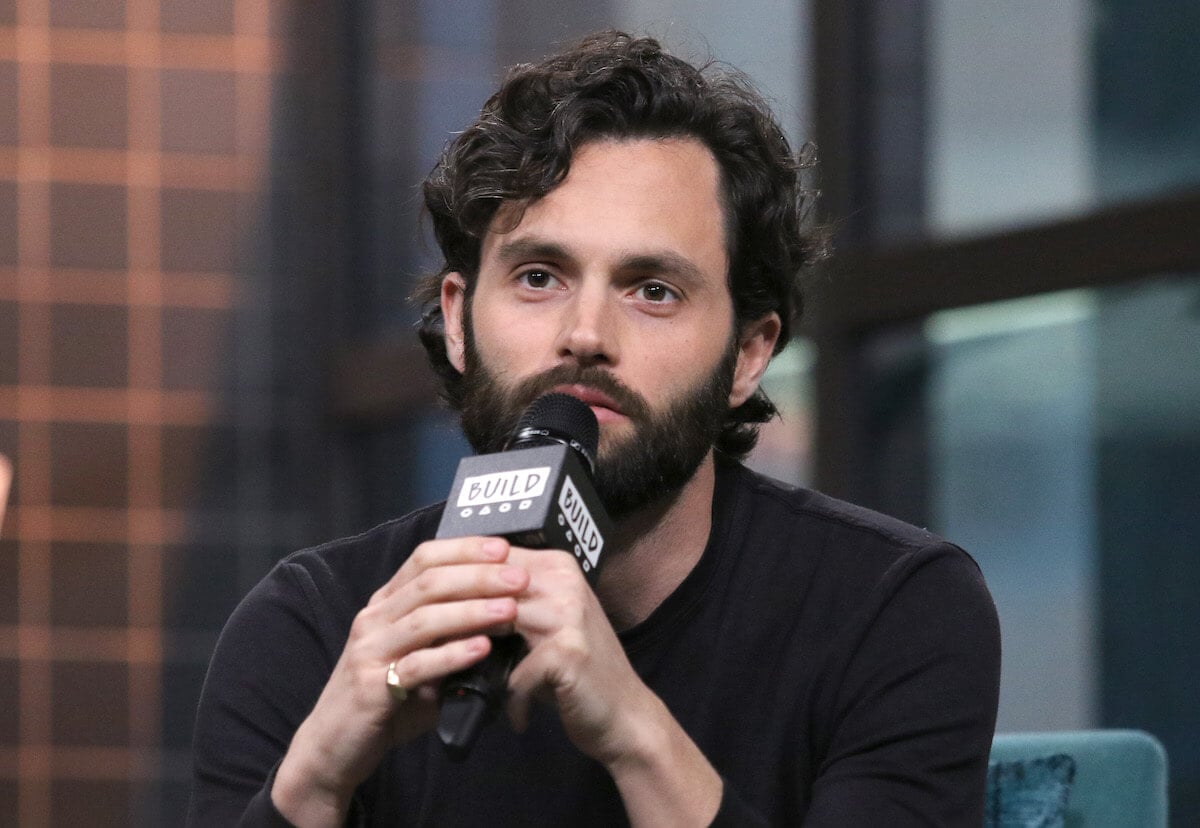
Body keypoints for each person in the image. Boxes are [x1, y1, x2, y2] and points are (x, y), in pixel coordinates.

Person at [188, 31, 1000, 826]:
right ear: (460, 322)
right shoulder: (316, 626)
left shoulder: (890, 608)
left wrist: (634, 733)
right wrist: (313, 787)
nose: (585, 333)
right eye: (538, 277)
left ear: (748, 354)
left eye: (652, 290)